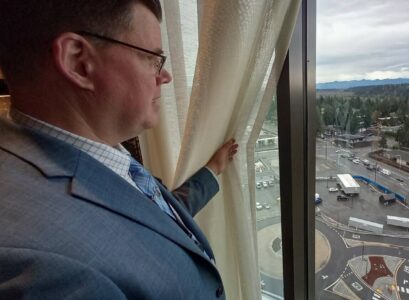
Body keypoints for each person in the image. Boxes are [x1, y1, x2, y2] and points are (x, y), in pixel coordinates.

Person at [0, 1, 237, 299]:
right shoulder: (50, 270)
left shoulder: (89, 152)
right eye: (152, 58)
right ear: (78, 62)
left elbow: (142, 219)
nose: (165, 76)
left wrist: (211, 171)